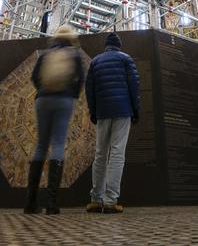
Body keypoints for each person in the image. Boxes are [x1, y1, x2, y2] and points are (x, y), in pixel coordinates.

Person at [25, 25, 85, 215]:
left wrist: (42, 91)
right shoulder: (74, 53)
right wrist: (72, 95)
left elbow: (34, 76)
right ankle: (51, 203)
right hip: (64, 100)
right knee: (58, 144)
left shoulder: (45, 54)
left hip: (43, 99)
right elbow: (80, 79)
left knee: (41, 146)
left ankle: (30, 203)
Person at [85, 32, 140, 214]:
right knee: (117, 154)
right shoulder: (126, 59)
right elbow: (134, 86)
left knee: (100, 154)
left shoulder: (95, 62)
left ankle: (95, 199)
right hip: (123, 110)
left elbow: (89, 90)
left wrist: (93, 111)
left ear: (106, 46)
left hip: (102, 112)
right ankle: (110, 200)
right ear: (119, 46)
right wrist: (136, 109)